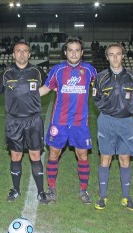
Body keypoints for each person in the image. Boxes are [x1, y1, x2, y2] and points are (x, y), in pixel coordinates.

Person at [39, 37, 97, 204]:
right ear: (65, 52)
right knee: (53, 154)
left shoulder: (89, 70)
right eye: (70, 50)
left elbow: (100, 88)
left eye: (77, 50)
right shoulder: (57, 70)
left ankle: (83, 190)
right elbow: (45, 88)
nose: (73, 53)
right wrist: (26, 96)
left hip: (80, 122)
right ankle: (51, 188)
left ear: (82, 53)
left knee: (82, 155)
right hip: (59, 121)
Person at [0, 40, 49, 204]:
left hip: (33, 120)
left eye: (25, 51)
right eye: (18, 51)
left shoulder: (37, 70)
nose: (22, 53)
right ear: (13, 54)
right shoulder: (6, 73)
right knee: (16, 155)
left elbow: (49, 86)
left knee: (35, 155)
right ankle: (15, 190)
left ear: (29, 54)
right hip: (14, 121)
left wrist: (34, 96)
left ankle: (41, 192)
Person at [92, 43, 133, 211]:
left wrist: (125, 111)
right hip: (106, 121)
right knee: (105, 158)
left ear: (123, 56)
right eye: (111, 54)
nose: (114, 57)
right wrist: (110, 109)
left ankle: (126, 197)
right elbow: (96, 99)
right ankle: (102, 196)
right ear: (106, 57)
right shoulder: (100, 77)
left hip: (126, 122)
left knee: (124, 159)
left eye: (118, 54)